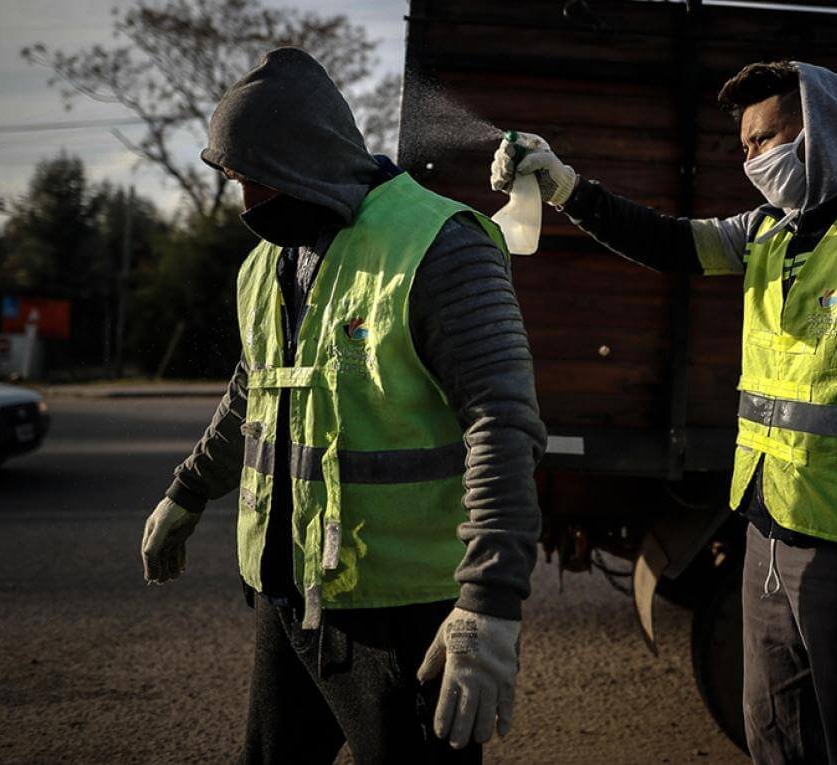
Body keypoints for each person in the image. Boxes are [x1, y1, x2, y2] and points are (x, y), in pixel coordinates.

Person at [490, 61, 837, 764]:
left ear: (824, 133)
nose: (751, 160)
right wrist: (565, 186)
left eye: (764, 140)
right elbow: (668, 241)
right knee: (775, 730)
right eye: (743, 148)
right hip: (766, 532)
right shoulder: (771, 231)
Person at [139, 47, 547, 764]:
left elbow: (503, 422)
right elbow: (255, 389)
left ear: (300, 160)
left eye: (252, 181)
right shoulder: (269, 259)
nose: (244, 206)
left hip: (402, 619)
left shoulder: (438, 244)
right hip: (287, 592)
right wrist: (189, 490)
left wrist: (489, 598)